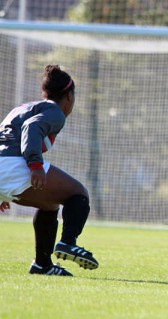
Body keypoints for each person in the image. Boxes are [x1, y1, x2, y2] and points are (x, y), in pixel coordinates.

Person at [0, 64, 99, 276]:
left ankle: (42, 265)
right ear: (69, 97)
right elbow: (32, 128)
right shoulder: (55, 111)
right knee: (78, 194)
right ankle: (67, 243)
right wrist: (35, 165)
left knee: (50, 203)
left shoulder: (22, 107)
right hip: (11, 164)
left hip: (5, 165)